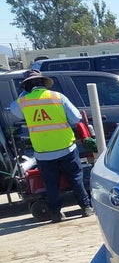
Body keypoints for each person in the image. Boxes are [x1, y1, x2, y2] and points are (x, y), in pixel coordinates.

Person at [10, 69, 94, 223]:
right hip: (66, 147)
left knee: (51, 184)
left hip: (43, 152)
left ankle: (55, 214)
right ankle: (86, 207)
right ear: (44, 82)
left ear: (27, 86)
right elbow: (76, 118)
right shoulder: (57, 97)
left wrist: (25, 92)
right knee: (76, 178)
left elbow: (13, 110)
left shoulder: (24, 102)